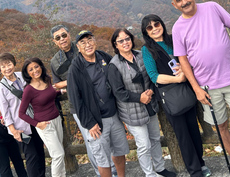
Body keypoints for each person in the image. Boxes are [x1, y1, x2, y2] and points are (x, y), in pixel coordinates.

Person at [170, 0, 230, 177]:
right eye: (179, 0)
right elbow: (183, 60)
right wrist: (196, 89)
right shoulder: (177, 28)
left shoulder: (212, 7)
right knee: (221, 127)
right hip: (207, 87)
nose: (184, 2)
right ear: (174, 4)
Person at [141, 14, 210, 177]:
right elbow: (154, 76)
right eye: (149, 27)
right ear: (146, 32)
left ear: (162, 24)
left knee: (194, 129)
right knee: (183, 135)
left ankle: (201, 163)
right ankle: (195, 171)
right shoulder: (147, 49)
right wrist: (178, 78)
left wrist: (186, 73)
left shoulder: (173, 40)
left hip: (188, 91)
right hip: (170, 95)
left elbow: (190, 58)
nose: (154, 29)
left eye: (156, 24)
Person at [107, 28, 176, 177]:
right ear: (115, 44)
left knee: (155, 139)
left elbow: (151, 74)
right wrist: (139, 98)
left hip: (149, 105)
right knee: (144, 145)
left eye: (127, 39)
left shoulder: (140, 55)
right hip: (132, 111)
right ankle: (149, 173)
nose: (125, 42)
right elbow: (119, 92)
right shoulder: (114, 65)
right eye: (121, 41)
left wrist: (150, 90)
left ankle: (160, 168)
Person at [50, 24, 116, 177]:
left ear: (69, 35)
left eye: (64, 35)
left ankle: (113, 170)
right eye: (58, 38)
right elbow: (57, 85)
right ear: (54, 42)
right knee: (92, 141)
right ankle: (100, 173)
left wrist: (69, 82)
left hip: (103, 102)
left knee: (108, 137)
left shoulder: (83, 46)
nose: (62, 39)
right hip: (79, 106)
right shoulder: (55, 62)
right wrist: (71, 83)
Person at [68, 30, 130, 177]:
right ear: (78, 47)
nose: (87, 44)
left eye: (90, 40)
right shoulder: (75, 69)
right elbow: (76, 100)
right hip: (96, 121)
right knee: (102, 159)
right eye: (83, 42)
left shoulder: (104, 57)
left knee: (119, 151)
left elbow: (120, 67)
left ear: (95, 41)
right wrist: (89, 123)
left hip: (114, 115)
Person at [0, 52, 46, 177]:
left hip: (36, 120)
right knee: (31, 156)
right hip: (20, 126)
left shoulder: (22, 76)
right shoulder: (1, 88)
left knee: (40, 152)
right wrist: (13, 130)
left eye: (9, 64)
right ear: (0, 70)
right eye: (3, 66)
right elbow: (5, 112)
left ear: (14, 64)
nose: (7, 68)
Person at [18, 57, 66, 177]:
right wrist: (37, 124)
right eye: (31, 69)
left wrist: (59, 92)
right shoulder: (29, 89)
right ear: (27, 73)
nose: (35, 70)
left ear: (41, 66)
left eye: (36, 67)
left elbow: (48, 95)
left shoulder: (46, 79)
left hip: (56, 120)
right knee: (58, 155)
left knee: (61, 153)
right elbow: (21, 113)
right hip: (44, 125)